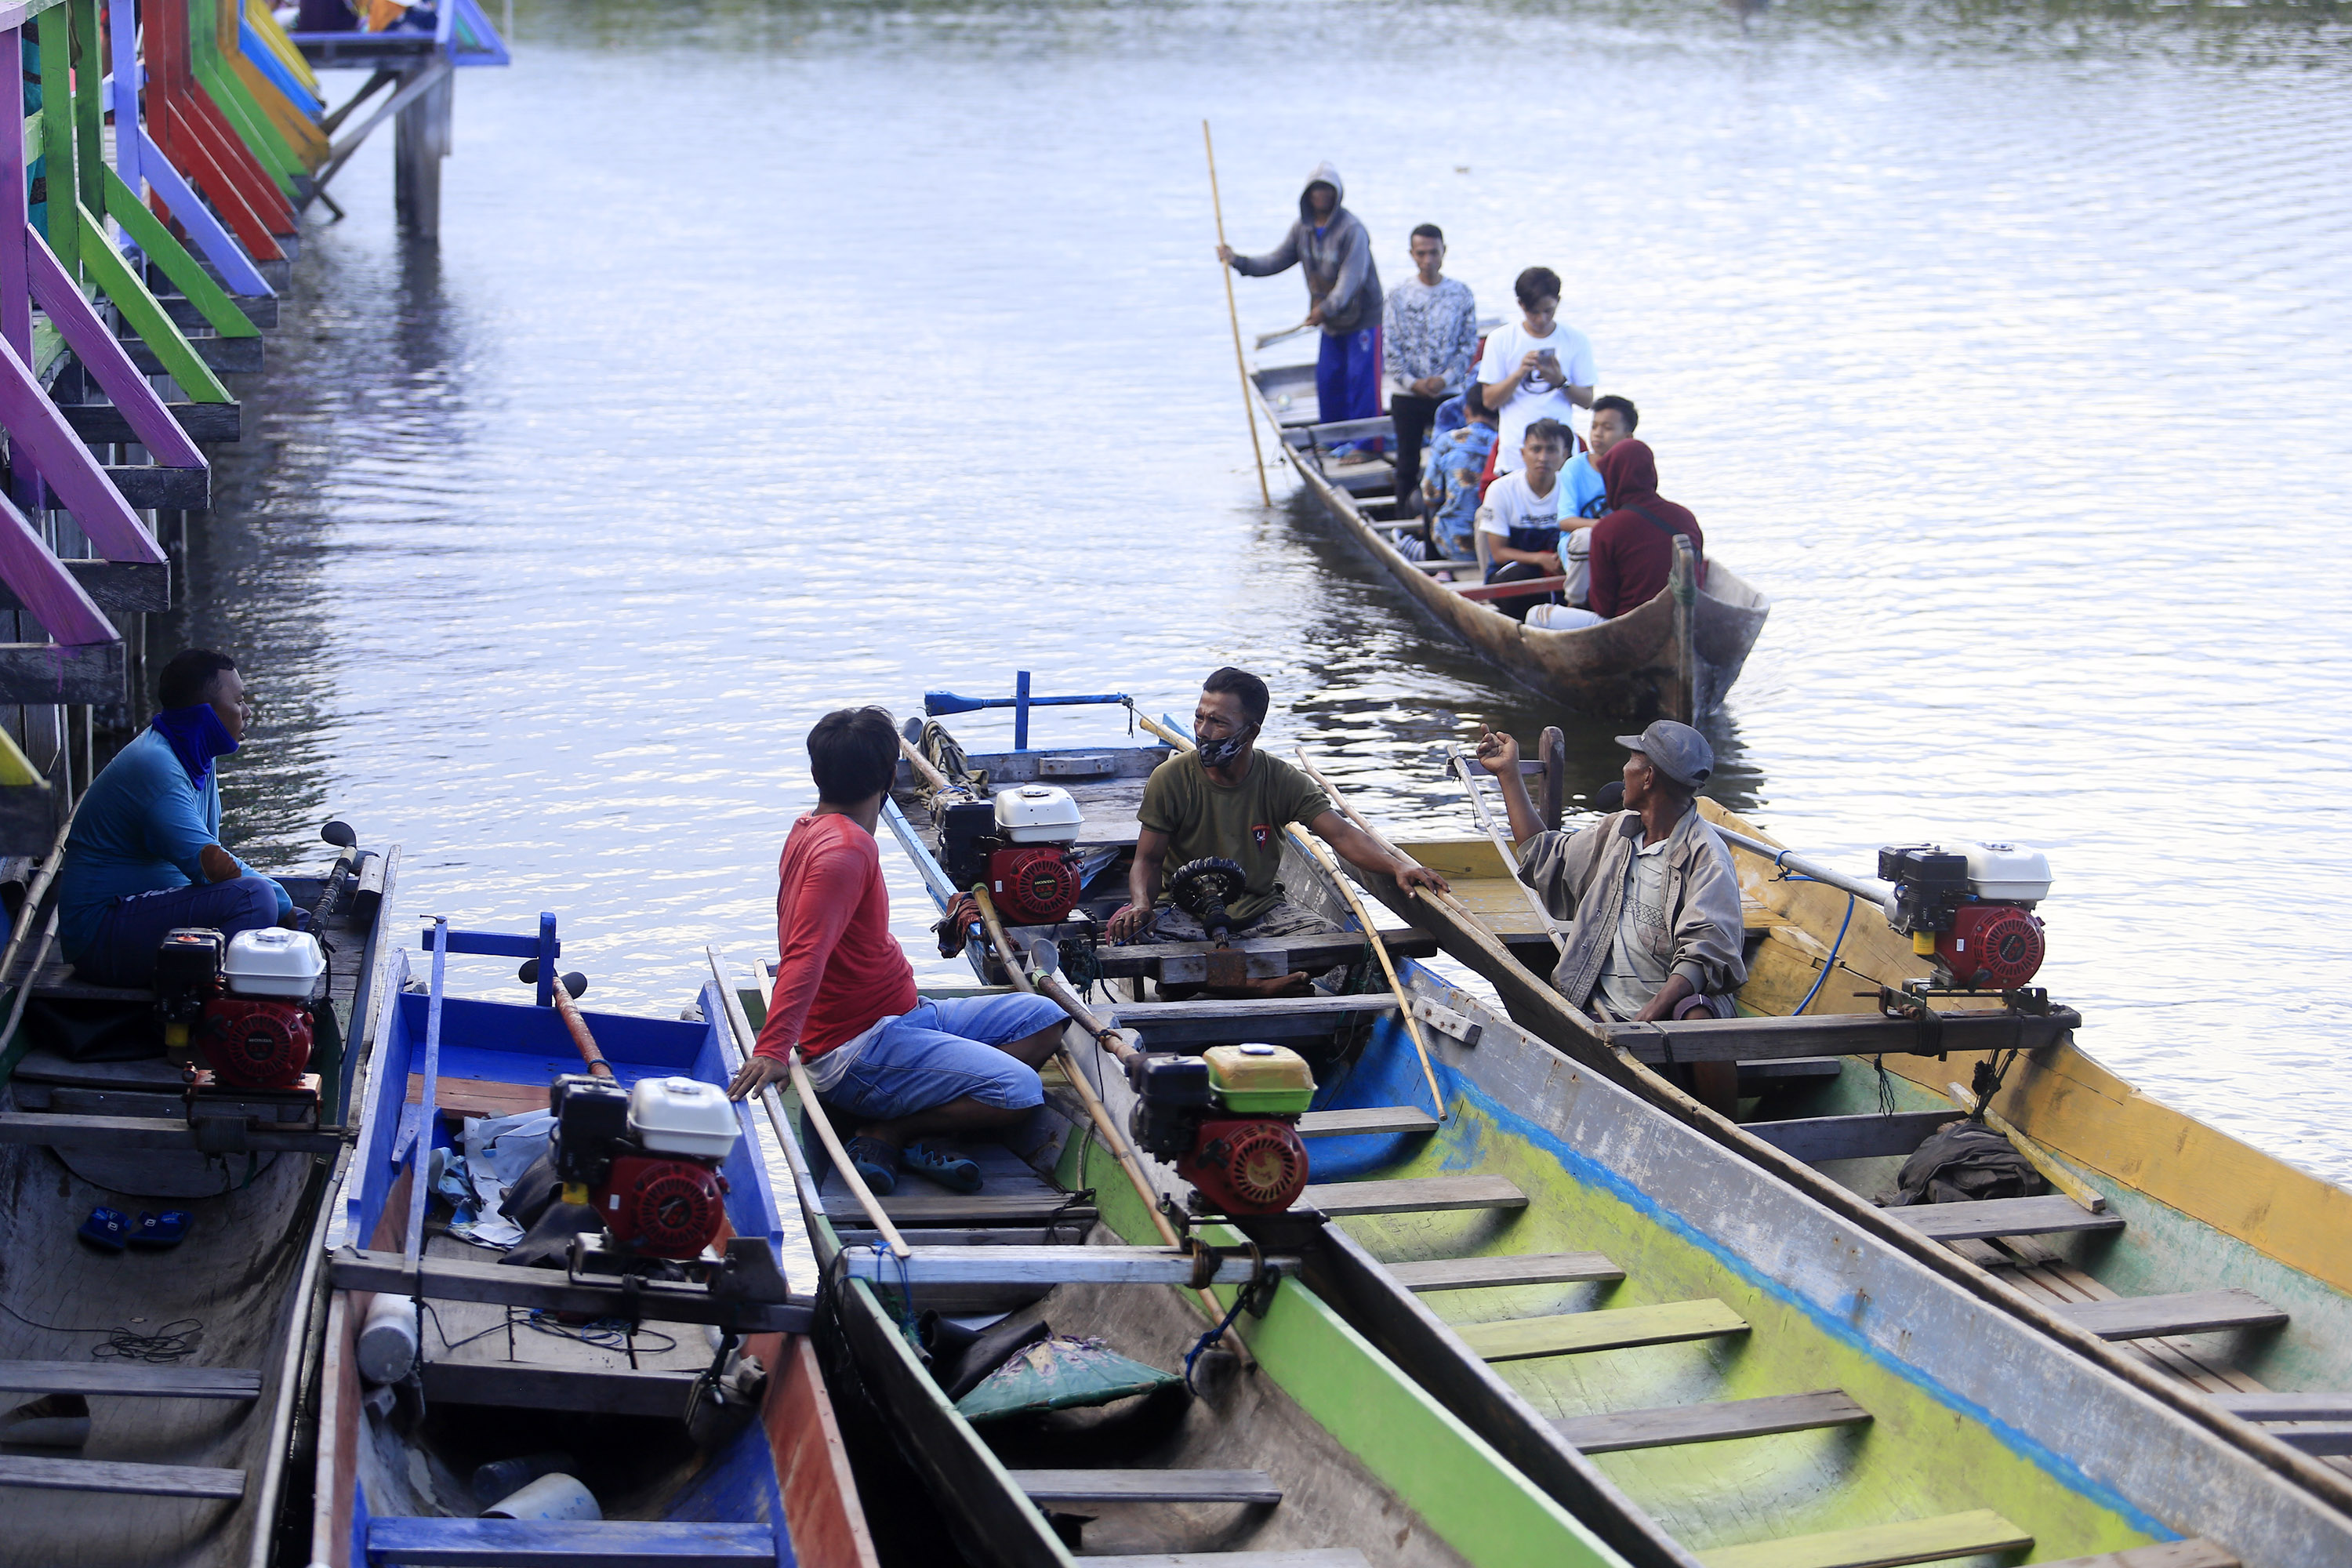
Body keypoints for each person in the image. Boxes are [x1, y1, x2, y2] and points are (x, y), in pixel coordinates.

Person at [725, 706, 1066, 1197]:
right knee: (1020, 1091)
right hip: (859, 1050)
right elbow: (805, 955)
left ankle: (928, 1104)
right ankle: (890, 1131)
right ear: (890, 776)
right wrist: (774, 1049)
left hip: (905, 1016)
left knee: (1045, 1017)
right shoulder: (845, 851)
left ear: (816, 773)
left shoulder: (809, 826)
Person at [1105, 668, 1448, 996]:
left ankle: (1196, 980)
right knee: (1131, 935)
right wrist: (1141, 904)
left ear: (1251, 732)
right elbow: (1148, 860)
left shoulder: (1281, 779)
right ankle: (1256, 986)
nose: (1204, 731)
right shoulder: (1170, 778)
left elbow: (1342, 836)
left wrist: (1398, 866)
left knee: (1328, 939)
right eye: (1200, 718)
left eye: (1218, 722)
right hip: (1185, 913)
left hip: (1260, 912)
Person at [1473, 720, 1745, 1026]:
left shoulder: (1707, 857)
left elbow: (1705, 954)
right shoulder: (1617, 831)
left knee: (1698, 1016)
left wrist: (1650, 1016)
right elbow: (1547, 858)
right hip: (1605, 1010)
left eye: (1631, 761)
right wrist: (1509, 775)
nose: (1624, 770)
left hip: (1668, 1015)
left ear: (1648, 778)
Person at [56, 649, 294, 988]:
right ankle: (212, 1007)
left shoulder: (197, 756)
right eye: (239, 701)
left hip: (140, 913)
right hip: (100, 937)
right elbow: (210, 865)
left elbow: (211, 855)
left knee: (260, 898)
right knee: (254, 898)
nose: (247, 711)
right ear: (205, 715)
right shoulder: (155, 765)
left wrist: (286, 910)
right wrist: (283, 904)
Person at [1219, 164, 1384, 427]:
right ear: (1307, 195)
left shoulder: (1352, 230)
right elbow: (1275, 261)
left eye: (1327, 190)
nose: (1321, 195)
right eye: (1316, 190)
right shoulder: (1302, 230)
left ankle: (1365, 444)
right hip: (1331, 322)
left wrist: (1324, 309)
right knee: (1329, 379)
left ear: (1337, 194)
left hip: (1362, 319)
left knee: (1360, 380)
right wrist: (1238, 261)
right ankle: (1332, 439)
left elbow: (1350, 280)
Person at [1381, 224, 1476, 511]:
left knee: (1452, 458)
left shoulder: (1460, 293)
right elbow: (1391, 345)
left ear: (1443, 252)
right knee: (1407, 462)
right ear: (1412, 254)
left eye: (1433, 252)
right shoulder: (1398, 295)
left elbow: (1468, 343)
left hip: (1448, 393)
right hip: (1407, 394)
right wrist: (1413, 382)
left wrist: (1445, 378)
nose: (1428, 260)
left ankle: (1450, 516)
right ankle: (1404, 520)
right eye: (1421, 253)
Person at [1478, 267, 1595, 474]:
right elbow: (1489, 401)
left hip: (1562, 456)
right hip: (1515, 455)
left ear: (1558, 301)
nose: (1541, 319)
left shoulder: (1576, 340)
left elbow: (1587, 401)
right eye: (1534, 312)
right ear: (1521, 305)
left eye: (1548, 311)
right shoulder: (1501, 339)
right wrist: (1518, 374)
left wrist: (1560, 381)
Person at [1586, 437, 1704, 619]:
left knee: (1537, 615)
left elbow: (1604, 607)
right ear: (1651, 473)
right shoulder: (1686, 517)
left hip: (1628, 627)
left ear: (1613, 478)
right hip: (1688, 618)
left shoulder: (1606, 530)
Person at [1397, 387, 1496, 564]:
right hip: (1495, 545)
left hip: (1452, 543)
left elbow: (1430, 496)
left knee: (1422, 496)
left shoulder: (1447, 441)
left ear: (1466, 411)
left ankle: (1432, 560)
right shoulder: (1504, 443)